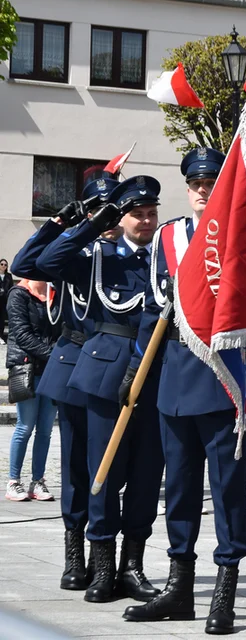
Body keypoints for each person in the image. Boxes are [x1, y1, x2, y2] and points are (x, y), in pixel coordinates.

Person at [122, 147, 246, 635]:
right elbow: (158, 296)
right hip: (176, 367)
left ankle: (225, 591)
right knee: (177, 488)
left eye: (210, 181)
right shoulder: (170, 235)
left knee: (226, 488)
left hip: (220, 371)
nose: (201, 188)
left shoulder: (240, 232)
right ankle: (180, 587)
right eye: (194, 181)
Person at [36, 176, 164, 604]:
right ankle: (96, 563)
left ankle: (132, 565)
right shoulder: (97, 255)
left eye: (151, 213)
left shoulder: (166, 258)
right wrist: (88, 225)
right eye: (135, 213)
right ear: (120, 217)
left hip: (158, 373)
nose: (145, 221)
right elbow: (40, 263)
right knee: (96, 472)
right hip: (103, 370)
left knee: (147, 474)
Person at [11, 170, 120, 591]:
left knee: (109, 467)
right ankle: (76, 553)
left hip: (114, 367)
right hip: (74, 364)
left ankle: (109, 557)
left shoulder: (131, 254)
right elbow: (25, 265)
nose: (108, 220)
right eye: (99, 211)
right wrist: (63, 223)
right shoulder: (74, 252)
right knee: (75, 465)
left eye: (114, 212)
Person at [6, 278, 59, 501]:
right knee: (25, 426)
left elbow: (63, 328)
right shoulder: (19, 294)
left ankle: (38, 481)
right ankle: (13, 481)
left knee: (45, 430)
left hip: (52, 370)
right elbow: (21, 333)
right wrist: (53, 355)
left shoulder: (57, 293)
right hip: (27, 368)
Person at [0, 258, 13, 340]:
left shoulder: (9, 276)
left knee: (2, 318)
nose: (3, 266)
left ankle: (1, 336)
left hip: (5, 300)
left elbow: (11, 287)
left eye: (5, 265)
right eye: (1, 264)